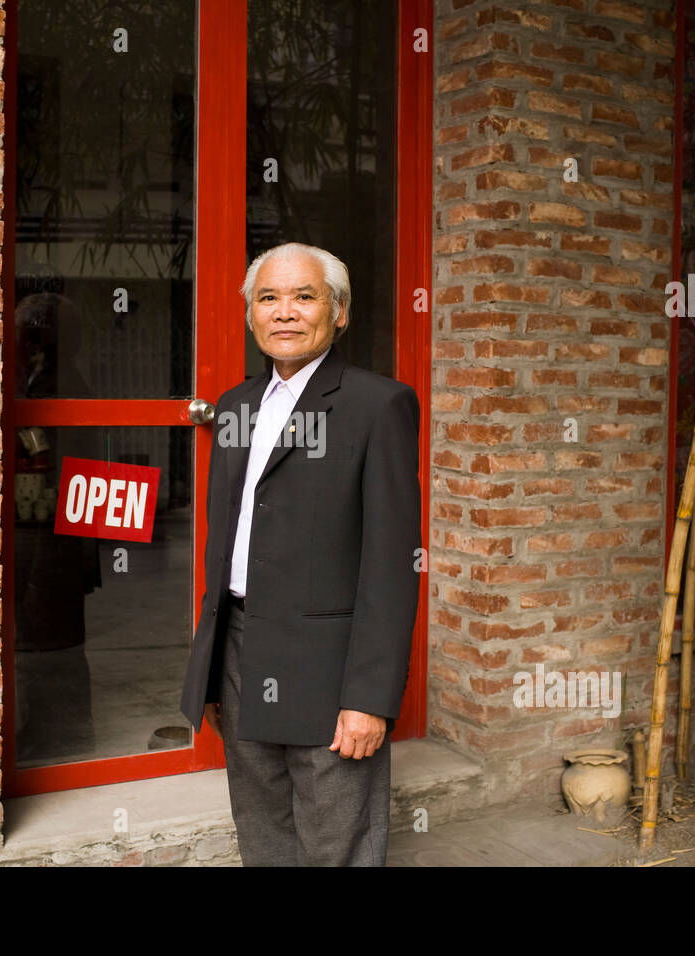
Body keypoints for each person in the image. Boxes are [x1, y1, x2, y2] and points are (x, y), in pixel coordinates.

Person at [179, 241, 421, 866]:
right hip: (239, 647)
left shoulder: (377, 405)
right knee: (262, 832)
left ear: (339, 313)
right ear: (250, 315)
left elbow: (393, 564)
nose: (284, 312)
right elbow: (226, 538)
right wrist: (209, 662)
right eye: (269, 298)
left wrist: (370, 697)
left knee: (335, 842)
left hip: (330, 665)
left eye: (304, 296)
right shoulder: (234, 406)